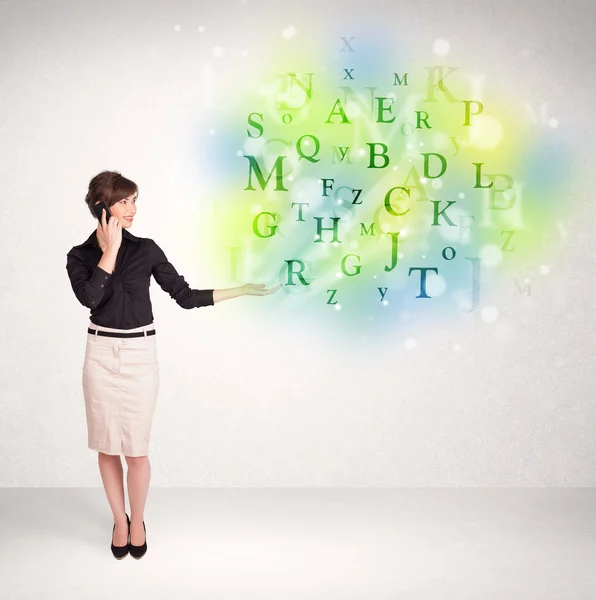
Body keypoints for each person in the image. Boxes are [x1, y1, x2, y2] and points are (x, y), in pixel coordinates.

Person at [65, 170, 280, 560]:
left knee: (136, 449)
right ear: (102, 207)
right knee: (107, 447)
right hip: (99, 357)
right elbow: (91, 298)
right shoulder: (78, 256)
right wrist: (110, 251)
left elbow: (185, 296)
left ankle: (138, 519)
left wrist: (242, 290)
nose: (133, 208)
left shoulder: (146, 249)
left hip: (139, 357)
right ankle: (119, 519)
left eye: (134, 199)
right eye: (125, 201)